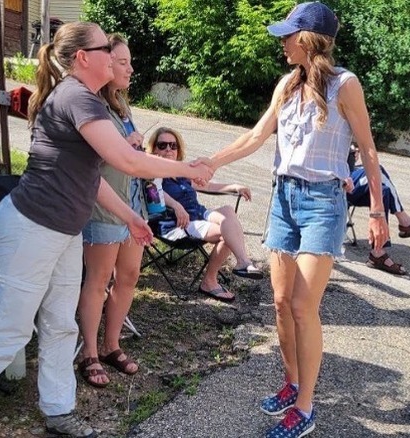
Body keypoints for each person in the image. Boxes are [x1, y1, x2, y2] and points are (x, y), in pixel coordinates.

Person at [0, 21, 213, 438]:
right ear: (84, 58)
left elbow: (94, 177)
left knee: (61, 324)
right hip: (31, 228)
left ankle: (58, 410)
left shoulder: (89, 101)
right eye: (107, 48)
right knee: (10, 328)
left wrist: (130, 216)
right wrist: (186, 168)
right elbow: (128, 161)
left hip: (64, 231)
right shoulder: (76, 97)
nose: (115, 54)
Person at [204, 3, 391, 437]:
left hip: (324, 202)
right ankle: (292, 381)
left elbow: (368, 149)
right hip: (284, 198)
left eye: (289, 35)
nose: (282, 42)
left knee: (305, 307)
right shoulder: (287, 84)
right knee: (281, 303)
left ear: (308, 39)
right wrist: (207, 163)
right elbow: (255, 136)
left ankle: (305, 408)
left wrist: (378, 211)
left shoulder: (345, 85)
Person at [77, 33, 146, 389]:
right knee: (98, 281)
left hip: (133, 203)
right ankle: (89, 352)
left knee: (130, 275)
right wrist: (122, 148)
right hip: (103, 208)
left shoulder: (121, 104)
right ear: (105, 64)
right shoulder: (90, 104)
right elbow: (85, 161)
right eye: (122, 62)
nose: (130, 69)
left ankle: (111, 345)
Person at [147, 126, 263, 303]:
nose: (169, 149)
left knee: (228, 211)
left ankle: (243, 261)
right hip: (177, 223)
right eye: (162, 145)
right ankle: (210, 281)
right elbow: (157, 192)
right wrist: (177, 205)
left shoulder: (182, 171)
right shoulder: (152, 170)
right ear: (154, 148)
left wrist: (234, 186)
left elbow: (207, 186)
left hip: (198, 215)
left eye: (173, 145)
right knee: (226, 233)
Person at [346, 146, 410, 275]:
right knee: (377, 171)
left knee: (384, 190)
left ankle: (377, 252)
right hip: (331, 185)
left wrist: (350, 153)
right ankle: (406, 222)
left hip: (346, 175)